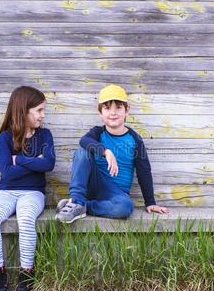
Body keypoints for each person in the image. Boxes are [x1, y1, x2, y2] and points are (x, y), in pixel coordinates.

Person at [55, 84, 168, 224]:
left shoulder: (135, 139)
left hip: (115, 194)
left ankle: (83, 206)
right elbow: (84, 141)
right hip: (94, 183)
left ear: (127, 110)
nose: (113, 113)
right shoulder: (97, 133)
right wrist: (106, 151)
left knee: (125, 207)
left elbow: (144, 171)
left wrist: (150, 202)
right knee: (82, 151)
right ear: (100, 113)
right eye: (107, 108)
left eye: (118, 108)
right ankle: (77, 199)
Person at [0, 86, 55, 291]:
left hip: (33, 193)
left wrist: (19, 160)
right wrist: (35, 162)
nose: (43, 115)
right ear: (24, 110)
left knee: (25, 219)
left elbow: (48, 164)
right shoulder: (5, 138)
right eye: (39, 110)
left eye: (43, 110)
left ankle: (27, 273)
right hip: (6, 192)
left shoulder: (45, 136)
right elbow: (6, 173)